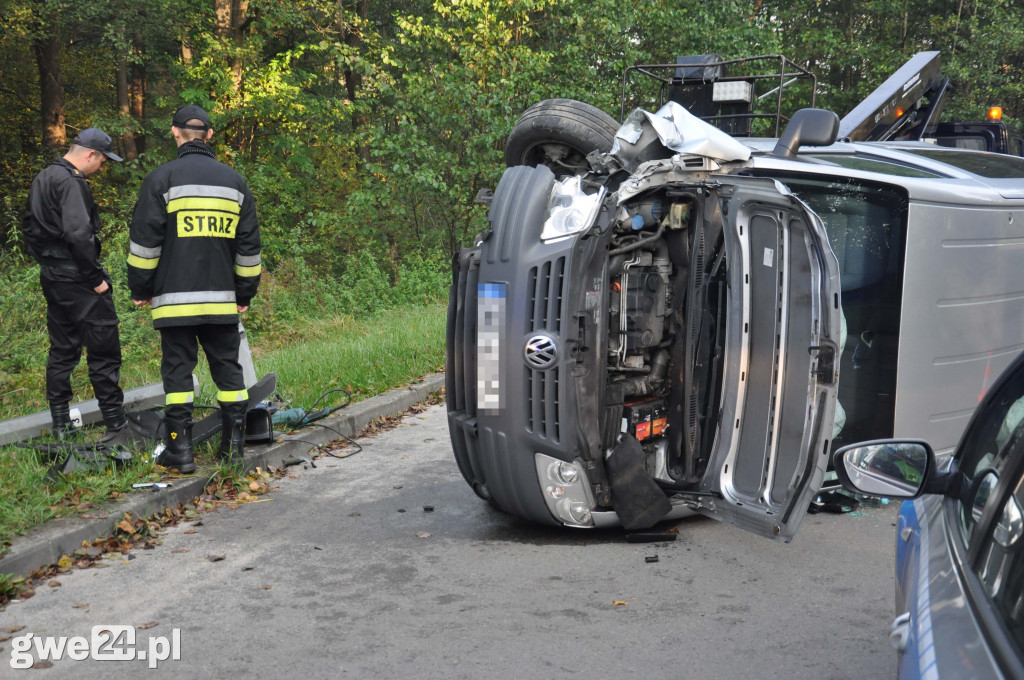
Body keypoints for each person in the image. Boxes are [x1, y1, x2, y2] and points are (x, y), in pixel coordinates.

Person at [127, 105, 261, 473]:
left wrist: (140, 288)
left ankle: (180, 452)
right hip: (221, 302)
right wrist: (244, 293)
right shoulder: (234, 183)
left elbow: (144, 245)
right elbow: (249, 248)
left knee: (177, 372)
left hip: (173, 303)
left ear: (175, 133)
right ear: (210, 135)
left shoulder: (161, 179)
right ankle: (232, 452)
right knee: (228, 371)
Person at [22, 127, 128, 442]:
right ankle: (116, 425)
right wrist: (95, 279)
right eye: (103, 160)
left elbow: (30, 227)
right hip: (79, 278)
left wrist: (49, 264)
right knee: (104, 348)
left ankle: (61, 425)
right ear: (90, 154)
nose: (102, 167)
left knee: (63, 348)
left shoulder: (43, 177)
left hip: (53, 277)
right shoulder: (71, 181)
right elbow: (78, 234)